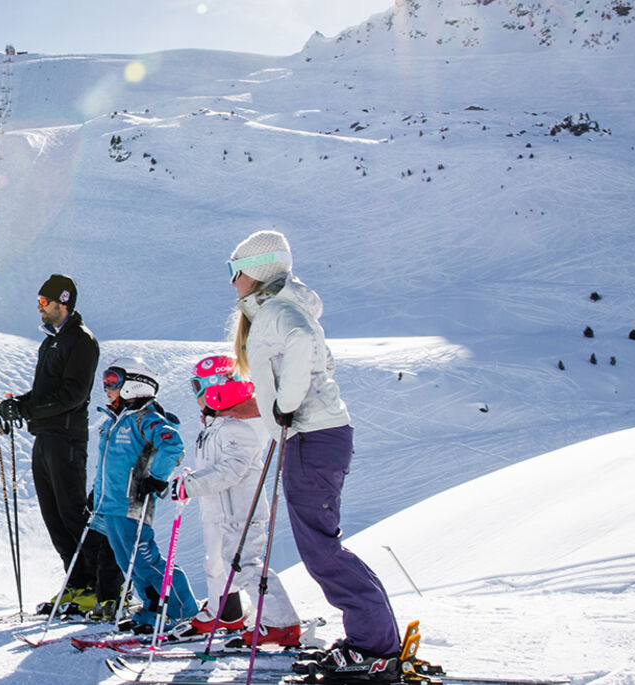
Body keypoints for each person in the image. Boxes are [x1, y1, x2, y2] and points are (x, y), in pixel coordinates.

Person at [227, 230, 402, 680]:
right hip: (315, 435)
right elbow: (315, 357)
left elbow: (304, 344)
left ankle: (375, 646)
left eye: (236, 270)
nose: (232, 282)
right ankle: (371, 640)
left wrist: (286, 404)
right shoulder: (279, 309)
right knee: (322, 547)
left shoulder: (278, 312)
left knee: (321, 551)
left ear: (260, 269)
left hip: (311, 435)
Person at [0, 274, 121, 618]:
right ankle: (76, 584)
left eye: (43, 302)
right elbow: (43, 393)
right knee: (53, 516)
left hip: (66, 437)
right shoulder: (51, 342)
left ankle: (100, 588)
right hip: (45, 436)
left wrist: (28, 408)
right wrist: (11, 405)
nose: (39, 308)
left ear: (61, 302)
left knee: (71, 512)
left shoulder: (80, 341)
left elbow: (72, 395)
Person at [184, 356, 302, 647]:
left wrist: (191, 485)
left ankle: (281, 623)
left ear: (216, 389)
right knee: (224, 566)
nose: (195, 395)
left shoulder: (238, 429)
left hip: (240, 513)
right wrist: (192, 479)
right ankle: (228, 614)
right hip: (221, 512)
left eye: (197, 387)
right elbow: (215, 468)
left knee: (246, 566)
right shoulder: (219, 425)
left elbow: (230, 472)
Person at [89, 358, 201, 637]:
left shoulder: (145, 418)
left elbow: (173, 445)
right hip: (111, 504)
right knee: (128, 559)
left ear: (135, 384)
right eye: (106, 379)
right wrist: (97, 495)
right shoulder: (116, 420)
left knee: (145, 558)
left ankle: (181, 610)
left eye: (113, 380)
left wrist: (156, 478)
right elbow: (106, 464)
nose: (107, 386)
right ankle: (154, 607)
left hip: (133, 500)